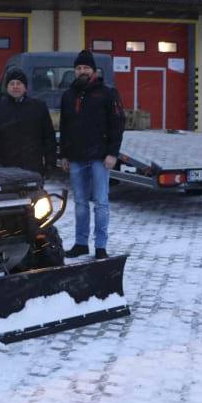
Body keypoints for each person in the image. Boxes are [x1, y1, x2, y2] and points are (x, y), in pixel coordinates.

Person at [59, 50, 124, 260]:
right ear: (74, 71)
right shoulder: (68, 95)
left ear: (94, 71)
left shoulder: (107, 93)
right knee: (80, 204)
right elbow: (65, 127)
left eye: (86, 68)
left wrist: (113, 153)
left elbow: (117, 124)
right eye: (78, 68)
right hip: (76, 157)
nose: (82, 71)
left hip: (100, 157)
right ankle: (80, 243)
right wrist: (64, 154)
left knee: (101, 203)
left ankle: (101, 246)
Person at [0, 68, 56, 177]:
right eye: (12, 84)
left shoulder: (38, 107)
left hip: (33, 169)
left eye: (19, 83)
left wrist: (50, 163)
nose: (15, 87)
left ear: (25, 87)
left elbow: (49, 138)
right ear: (7, 88)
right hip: (5, 170)